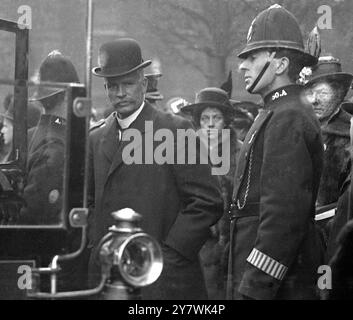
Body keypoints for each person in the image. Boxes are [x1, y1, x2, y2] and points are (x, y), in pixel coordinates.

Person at [88, 38, 223, 300]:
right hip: (110, 280)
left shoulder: (174, 130)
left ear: (144, 83)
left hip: (165, 282)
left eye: (127, 84)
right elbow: (90, 202)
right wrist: (99, 248)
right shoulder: (96, 138)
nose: (120, 93)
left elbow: (207, 201)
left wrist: (167, 256)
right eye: (112, 86)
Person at [228, 4, 324, 300]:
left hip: (277, 286)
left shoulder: (288, 116)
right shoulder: (278, 111)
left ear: (280, 64)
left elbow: (283, 216)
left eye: (253, 57)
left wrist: (255, 287)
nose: (243, 66)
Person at [182, 87, 242, 299]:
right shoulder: (185, 154)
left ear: (226, 121)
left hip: (236, 243)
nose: (209, 123)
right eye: (204, 118)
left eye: (216, 117)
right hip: (198, 245)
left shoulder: (242, 153)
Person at [304, 56, 353, 207]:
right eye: (309, 93)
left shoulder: (349, 134)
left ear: (340, 93)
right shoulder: (296, 130)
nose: (314, 100)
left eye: (323, 93)